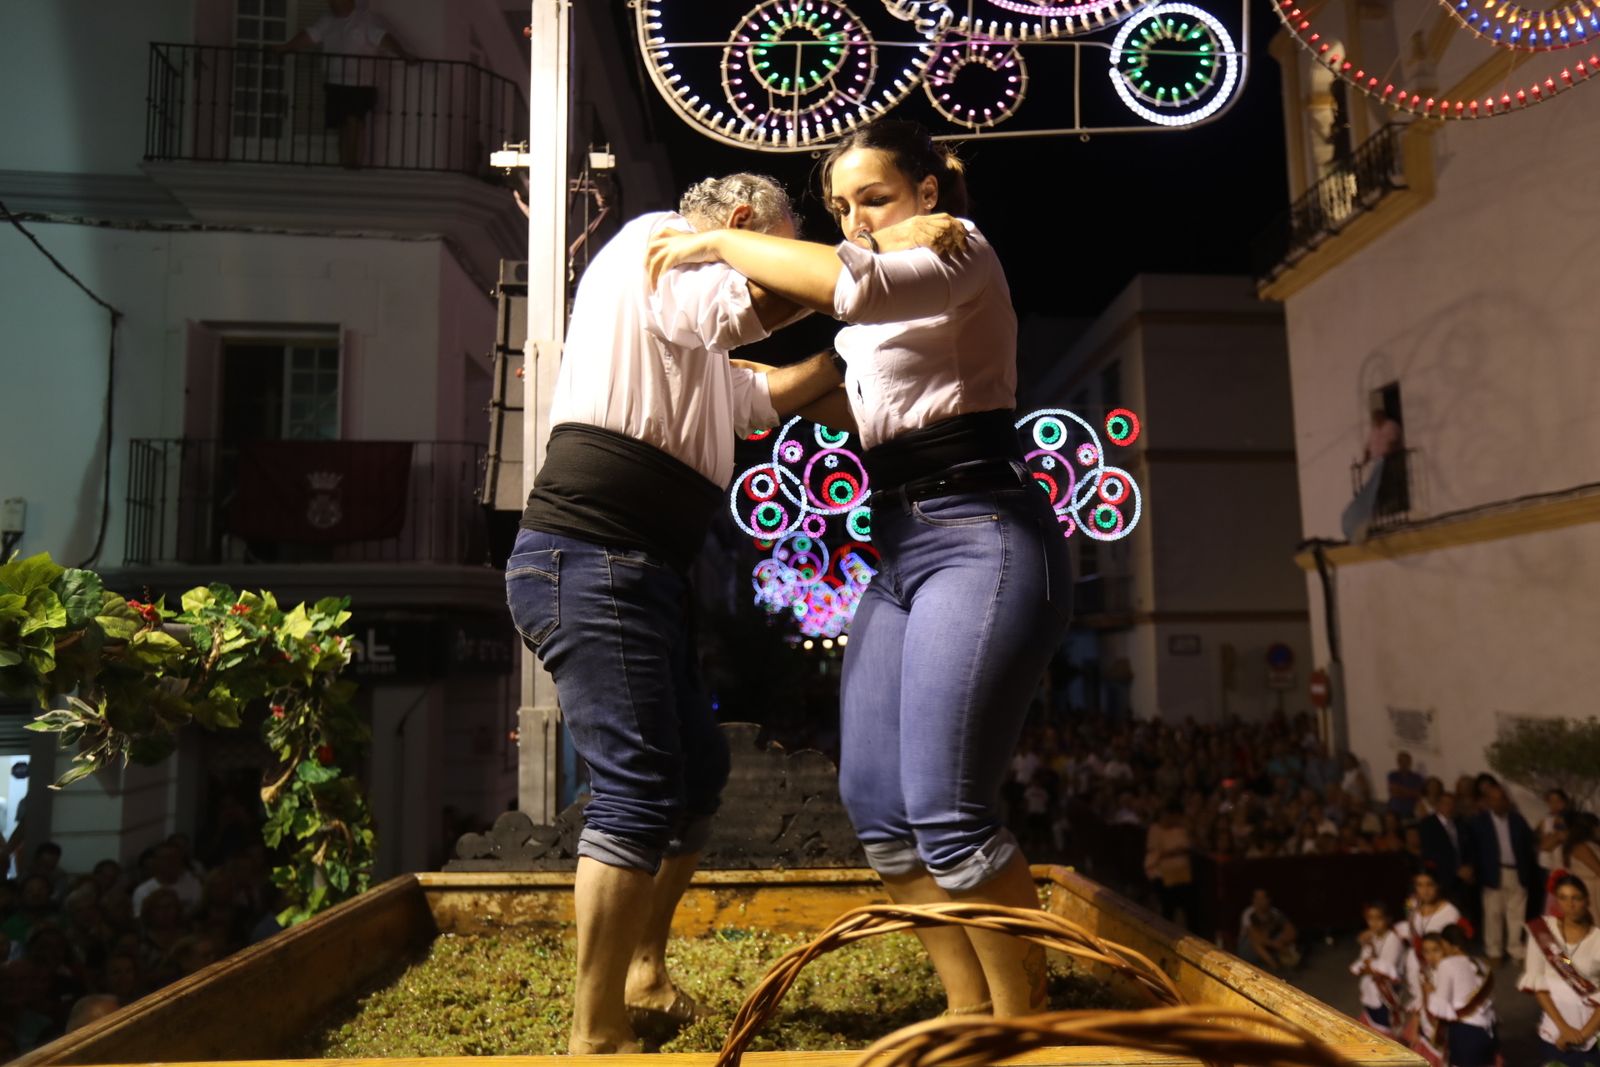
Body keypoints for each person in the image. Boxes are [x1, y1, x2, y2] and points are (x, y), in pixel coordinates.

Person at [507, 172, 956, 1053]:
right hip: (588, 556)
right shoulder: (656, 245)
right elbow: (754, 305)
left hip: (639, 571)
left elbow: (760, 399)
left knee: (696, 775)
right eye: (783, 242)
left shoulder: (688, 336)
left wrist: (848, 358)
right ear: (743, 227)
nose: (784, 259)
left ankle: (641, 966)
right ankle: (594, 1031)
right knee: (636, 789)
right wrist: (876, 258)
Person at [646, 120, 1072, 1018]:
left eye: (874, 197)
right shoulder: (882, 281)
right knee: (881, 817)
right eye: (839, 206)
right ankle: (967, 1014)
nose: (854, 219)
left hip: (982, 532)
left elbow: (853, 285)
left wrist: (720, 238)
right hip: (900, 549)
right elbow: (825, 359)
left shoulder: (963, 251)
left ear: (929, 190)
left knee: (951, 819)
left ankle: (1030, 1024)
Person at [272, 0, 415, 169]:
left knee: (353, 121)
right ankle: (346, 164)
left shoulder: (366, 19)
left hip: (360, 83)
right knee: (342, 123)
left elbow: (384, 38)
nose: (331, 3)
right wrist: (286, 47)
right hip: (335, 82)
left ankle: (352, 165)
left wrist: (404, 54)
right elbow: (310, 35)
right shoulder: (328, 20)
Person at [1521, 873, 1600, 1066]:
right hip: (1554, 1032)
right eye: (1563, 898)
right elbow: (1538, 985)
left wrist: (1582, 1035)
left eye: (1576, 898)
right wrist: (1564, 1030)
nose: (1570, 904)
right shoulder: (1542, 931)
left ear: (1587, 900)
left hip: (1592, 1035)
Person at [1468, 775, 1536, 966]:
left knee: (1516, 913)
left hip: (1516, 871)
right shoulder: (1479, 822)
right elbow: (1473, 849)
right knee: (1493, 913)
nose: (1499, 803)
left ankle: (1515, 948)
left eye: (1502, 798)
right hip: (1493, 872)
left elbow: (1528, 844)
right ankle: (1494, 951)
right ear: (1488, 801)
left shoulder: (1516, 820)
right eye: (1495, 799)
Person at [1398, 870, 1463, 1034]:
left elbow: (1456, 948)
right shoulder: (1411, 904)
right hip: (1416, 965)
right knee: (1419, 1005)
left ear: (1438, 886)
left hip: (1438, 969)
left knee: (1437, 1014)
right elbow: (1408, 923)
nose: (1424, 890)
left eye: (1429, 885)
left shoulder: (1450, 913)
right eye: (1419, 885)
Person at [1422, 924, 1496, 1067]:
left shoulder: (1447, 964)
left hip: (1465, 1033)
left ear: (1448, 944)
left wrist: (1429, 993)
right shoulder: (1482, 963)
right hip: (1489, 1030)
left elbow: (1440, 1008)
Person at [1352, 901, 1405, 1038]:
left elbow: (1386, 968)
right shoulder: (1372, 937)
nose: (1374, 923)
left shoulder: (1393, 940)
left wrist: (1369, 966)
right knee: (1371, 1022)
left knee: (1383, 1030)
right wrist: (1368, 965)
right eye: (1370, 919)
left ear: (1388, 919)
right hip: (1372, 991)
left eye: (1378, 918)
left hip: (1386, 994)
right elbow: (1363, 961)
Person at [1144, 802, 1195, 930]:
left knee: (1186, 906)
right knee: (1168, 907)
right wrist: (1172, 852)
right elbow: (1155, 853)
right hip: (1162, 875)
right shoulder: (1155, 830)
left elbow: (1186, 847)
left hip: (1182, 875)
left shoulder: (1181, 830)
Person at [1238, 888, 1300, 972]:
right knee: (1254, 940)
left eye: (1262, 898)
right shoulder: (1248, 913)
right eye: (1257, 898)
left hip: (1269, 947)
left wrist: (1281, 940)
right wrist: (1276, 945)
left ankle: (1282, 964)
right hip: (1248, 949)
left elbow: (1291, 931)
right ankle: (1276, 968)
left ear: (1268, 899)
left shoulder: (1275, 913)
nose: (1259, 901)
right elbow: (1254, 936)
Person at [131, 843, 202, 915]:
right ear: (156, 862)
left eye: (176, 858)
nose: (173, 862)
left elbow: (200, 911)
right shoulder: (143, 891)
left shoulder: (193, 883)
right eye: (167, 859)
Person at [1388, 752, 1426, 819]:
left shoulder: (1417, 777)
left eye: (1406, 761)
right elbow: (1394, 792)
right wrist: (1411, 792)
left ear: (1409, 762)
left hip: (1411, 810)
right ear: (1398, 762)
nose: (1403, 763)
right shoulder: (1393, 775)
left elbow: (1418, 794)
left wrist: (1400, 790)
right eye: (1401, 761)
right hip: (1395, 810)